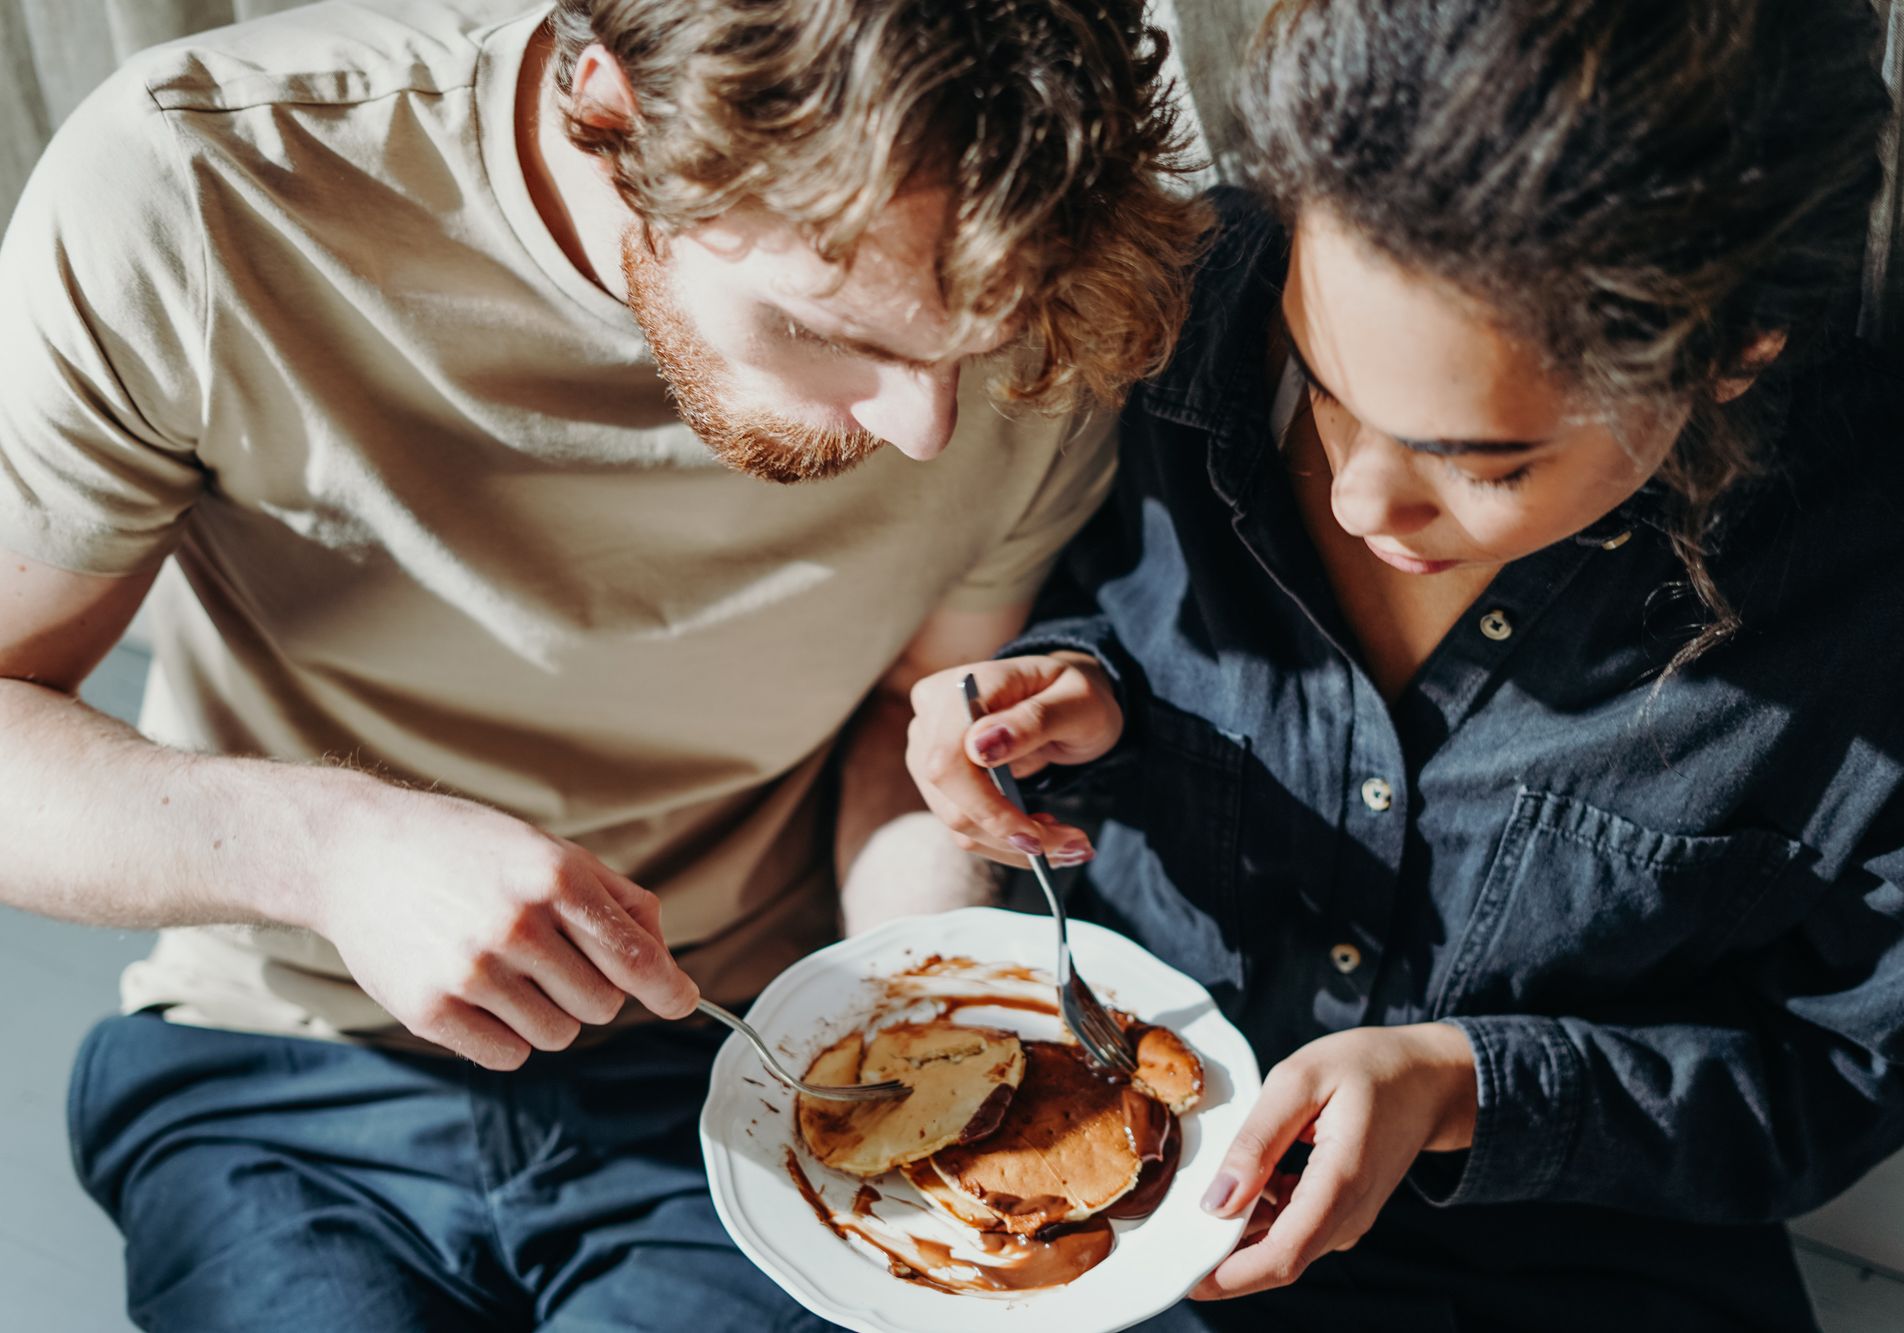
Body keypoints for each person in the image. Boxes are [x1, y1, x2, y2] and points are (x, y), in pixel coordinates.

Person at [0, 0, 1206, 1327]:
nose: (924, 425)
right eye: (830, 330)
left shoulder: (1028, 270)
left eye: (960, 353)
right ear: (611, 106)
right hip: (282, 1058)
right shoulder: (198, 187)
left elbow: (898, 727)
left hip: (742, 1057)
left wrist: (923, 1014)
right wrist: (328, 849)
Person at [906, 0, 1904, 1328]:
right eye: (1319, 382)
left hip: (1569, 1267)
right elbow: (1106, 608)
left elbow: (1857, 1056)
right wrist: (1071, 688)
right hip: (1105, 1215)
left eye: (1479, 461)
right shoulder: (1188, 308)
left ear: (1731, 350)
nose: (1364, 497)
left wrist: (1466, 1083)